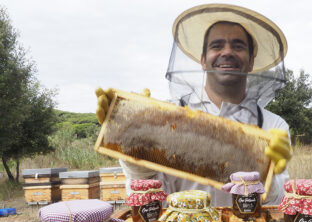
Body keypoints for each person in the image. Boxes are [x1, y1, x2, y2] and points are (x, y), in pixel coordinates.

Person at [96, 4, 292, 206]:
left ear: (251, 61)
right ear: (203, 61)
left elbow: (276, 205)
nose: (227, 52)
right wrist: (131, 147)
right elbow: (152, 201)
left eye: (238, 46)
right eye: (217, 46)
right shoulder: (166, 118)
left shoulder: (274, 127)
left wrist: (269, 172)